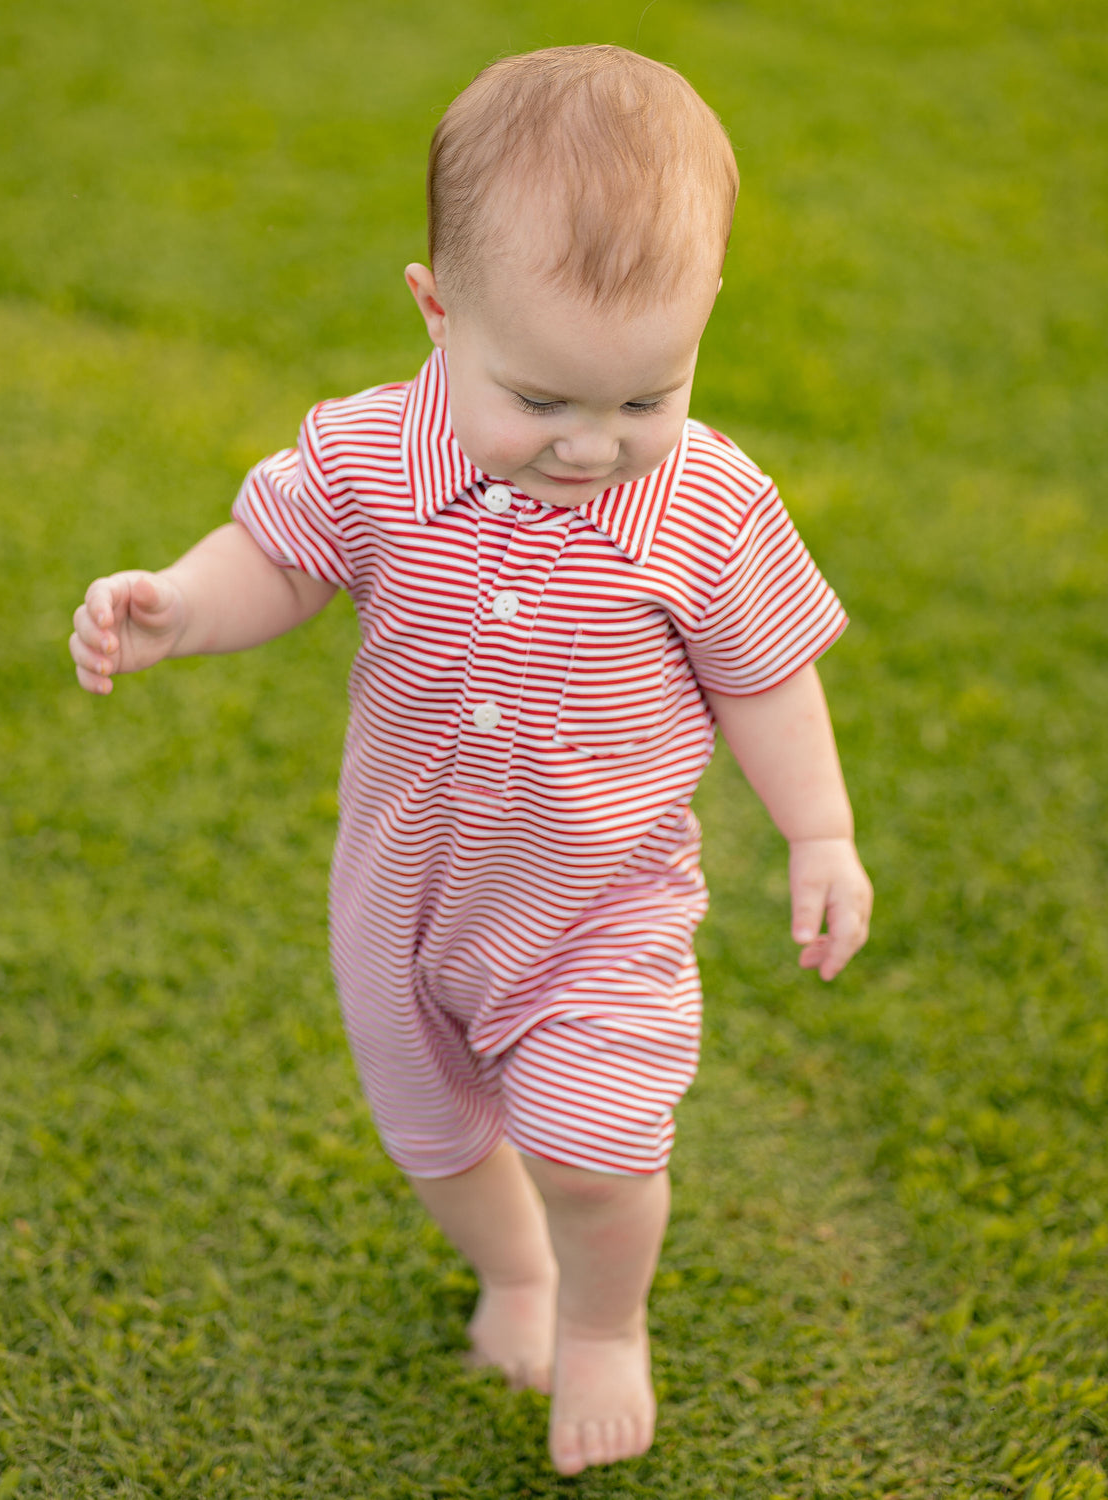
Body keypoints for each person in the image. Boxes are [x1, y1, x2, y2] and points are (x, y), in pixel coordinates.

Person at [69, 44, 872, 1477]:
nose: (594, 446)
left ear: (704, 318)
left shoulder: (711, 507)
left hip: (598, 906)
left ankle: (604, 1321)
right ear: (438, 312)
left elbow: (765, 674)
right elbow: (282, 557)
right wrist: (182, 606)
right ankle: (515, 1270)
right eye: (544, 401)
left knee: (597, 1151)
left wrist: (821, 832)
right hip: (401, 901)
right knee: (434, 1135)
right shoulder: (371, 455)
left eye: (646, 398)